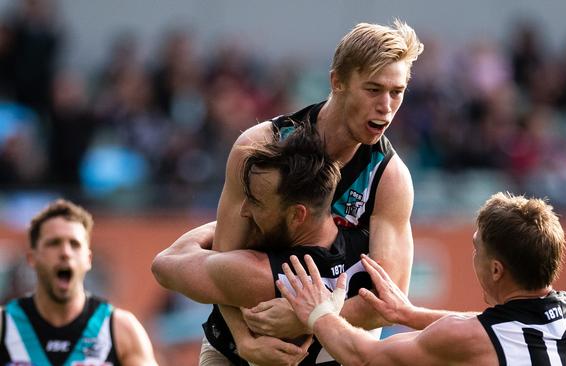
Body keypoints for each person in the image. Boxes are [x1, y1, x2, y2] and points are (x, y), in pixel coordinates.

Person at [201, 19, 424, 365]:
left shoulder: (390, 179)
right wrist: (245, 341)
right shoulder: (261, 147)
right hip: (236, 349)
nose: (386, 106)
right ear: (337, 82)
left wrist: (312, 315)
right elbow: (220, 261)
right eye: (373, 89)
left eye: (396, 92)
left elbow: (389, 301)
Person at [278, 192, 566, 365]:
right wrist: (412, 315)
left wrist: (319, 313)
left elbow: (364, 356)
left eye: (476, 248)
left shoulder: (473, 340)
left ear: (496, 269)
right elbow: (501, 330)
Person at [152, 125, 373, 365]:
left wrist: (223, 225)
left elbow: (165, 263)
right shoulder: (368, 251)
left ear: (297, 215)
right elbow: (387, 309)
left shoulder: (258, 274)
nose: (244, 211)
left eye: (257, 202)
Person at [0, 199, 158, 365]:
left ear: (88, 259)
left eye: (74, 244)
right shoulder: (5, 326)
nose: (65, 252)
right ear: (32, 258)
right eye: (54, 243)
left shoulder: (121, 330)